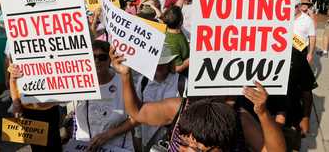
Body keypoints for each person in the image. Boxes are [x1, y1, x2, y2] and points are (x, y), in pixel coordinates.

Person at [109, 47, 286, 152]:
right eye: (185, 143)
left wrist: (263, 114)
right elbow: (137, 112)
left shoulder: (240, 120)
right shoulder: (179, 107)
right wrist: (125, 75)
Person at [72, 40, 136, 151]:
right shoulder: (77, 82)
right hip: (84, 146)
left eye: (102, 57)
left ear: (110, 59)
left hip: (118, 146)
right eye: (93, 57)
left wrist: (109, 134)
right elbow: (51, 102)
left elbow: (137, 117)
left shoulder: (124, 81)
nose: (97, 61)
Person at [134, 45, 179, 151]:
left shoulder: (181, 82)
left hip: (171, 143)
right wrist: (138, 138)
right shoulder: (143, 81)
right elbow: (137, 110)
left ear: (169, 63)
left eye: (163, 63)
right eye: (157, 63)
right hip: (146, 141)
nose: (159, 66)